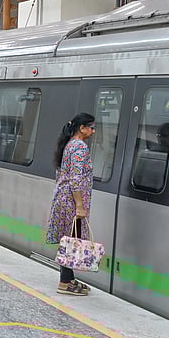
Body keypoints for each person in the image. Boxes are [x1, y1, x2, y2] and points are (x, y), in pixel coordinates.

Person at [46, 113, 96, 296]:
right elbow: (75, 179)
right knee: (71, 241)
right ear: (81, 128)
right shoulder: (80, 147)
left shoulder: (69, 145)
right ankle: (65, 282)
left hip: (64, 199)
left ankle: (69, 278)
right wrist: (80, 206)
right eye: (91, 126)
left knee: (69, 240)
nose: (93, 130)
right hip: (71, 202)